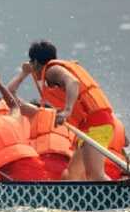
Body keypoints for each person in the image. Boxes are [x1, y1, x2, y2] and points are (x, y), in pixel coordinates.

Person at [25, 40, 124, 181]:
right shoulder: (53, 70)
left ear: (35, 62)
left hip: (97, 123)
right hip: (89, 126)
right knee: (72, 174)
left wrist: (67, 111)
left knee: (95, 175)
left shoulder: (52, 70)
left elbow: (73, 82)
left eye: (31, 62)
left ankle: (119, 201)